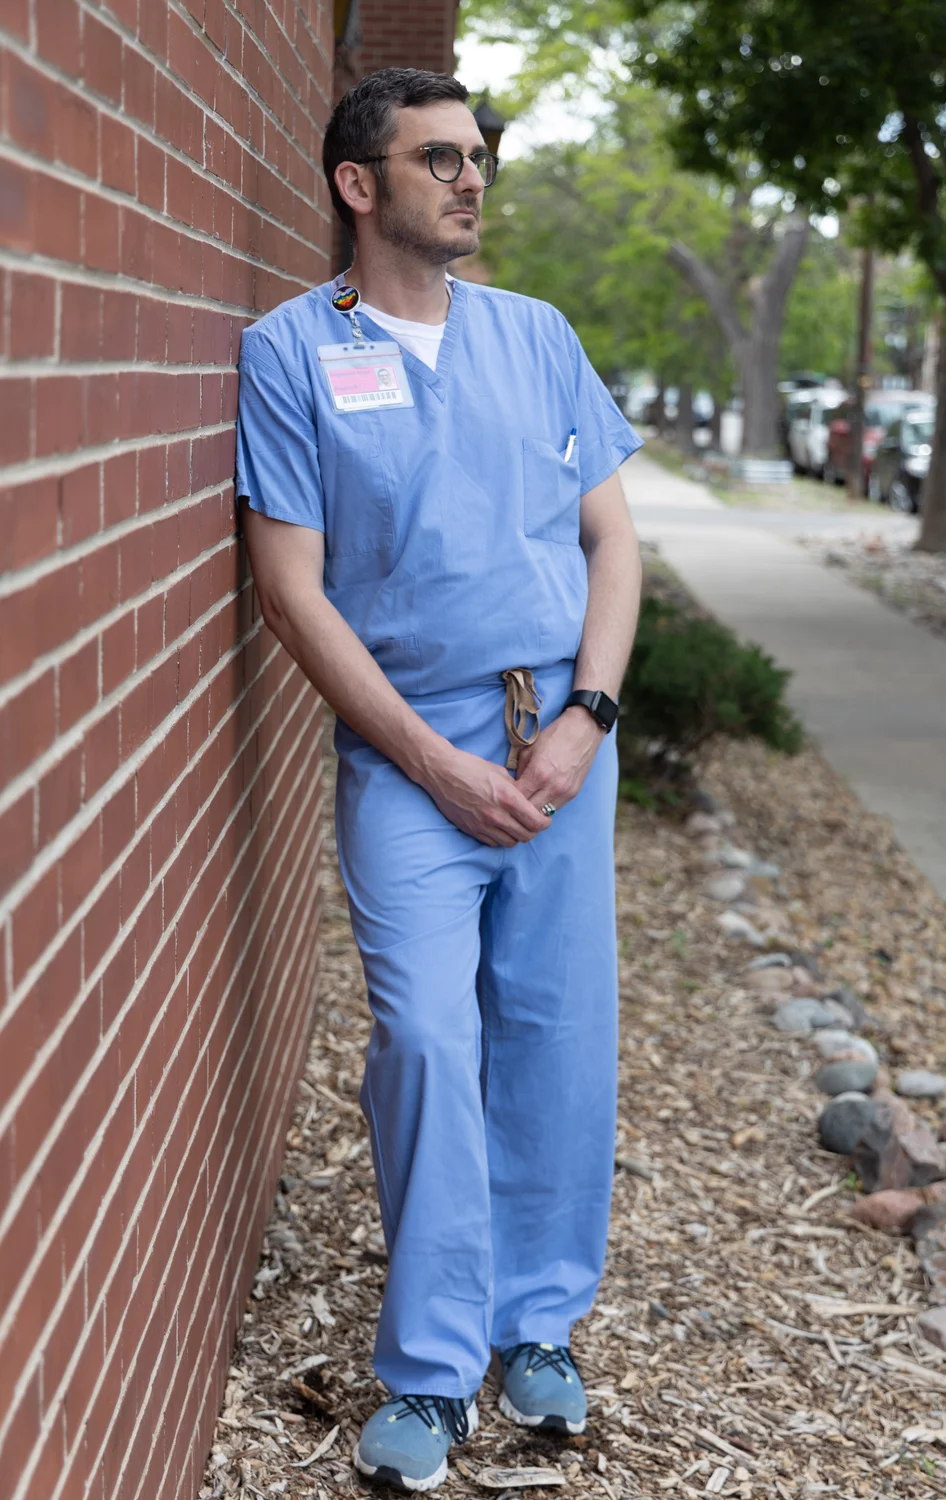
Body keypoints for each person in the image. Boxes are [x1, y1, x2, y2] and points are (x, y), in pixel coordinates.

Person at [236, 66, 643, 1494]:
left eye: (478, 156)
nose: (470, 179)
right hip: (414, 755)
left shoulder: (536, 337)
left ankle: (536, 1328)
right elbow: (292, 592)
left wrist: (587, 716)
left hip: (562, 746)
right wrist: (430, 760)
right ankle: (426, 1366)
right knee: (424, 1042)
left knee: (554, 1036)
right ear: (360, 185)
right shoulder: (289, 353)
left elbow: (614, 546)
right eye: (438, 158)